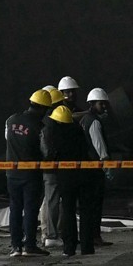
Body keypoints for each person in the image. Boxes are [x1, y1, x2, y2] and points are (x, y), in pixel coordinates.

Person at [4, 90, 53, 257]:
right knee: (31, 209)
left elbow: (8, 139)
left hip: (11, 173)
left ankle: (15, 247)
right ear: (42, 108)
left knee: (15, 208)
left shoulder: (11, 120)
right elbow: (45, 151)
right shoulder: (39, 127)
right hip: (31, 175)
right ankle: (30, 246)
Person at [40, 104, 91, 256]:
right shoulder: (77, 130)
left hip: (65, 177)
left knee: (68, 211)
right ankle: (88, 247)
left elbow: (50, 154)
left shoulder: (55, 133)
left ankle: (69, 248)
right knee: (85, 211)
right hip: (83, 174)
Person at [78, 87, 112, 248]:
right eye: (101, 104)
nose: (104, 107)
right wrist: (106, 165)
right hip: (95, 168)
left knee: (87, 204)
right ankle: (95, 236)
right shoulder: (94, 122)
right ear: (92, 104)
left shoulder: (84, 119)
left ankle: (89, 236)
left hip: (86, 168)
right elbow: (100, 147)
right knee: (95, 204)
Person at [40, 87, 67, 248]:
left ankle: (48, 233)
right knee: (53, 201)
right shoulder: (50, 125)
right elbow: (48, 151)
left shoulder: (45, 123)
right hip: (52, 169)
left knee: (49, 201)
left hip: (47, 168)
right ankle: (51, 234)